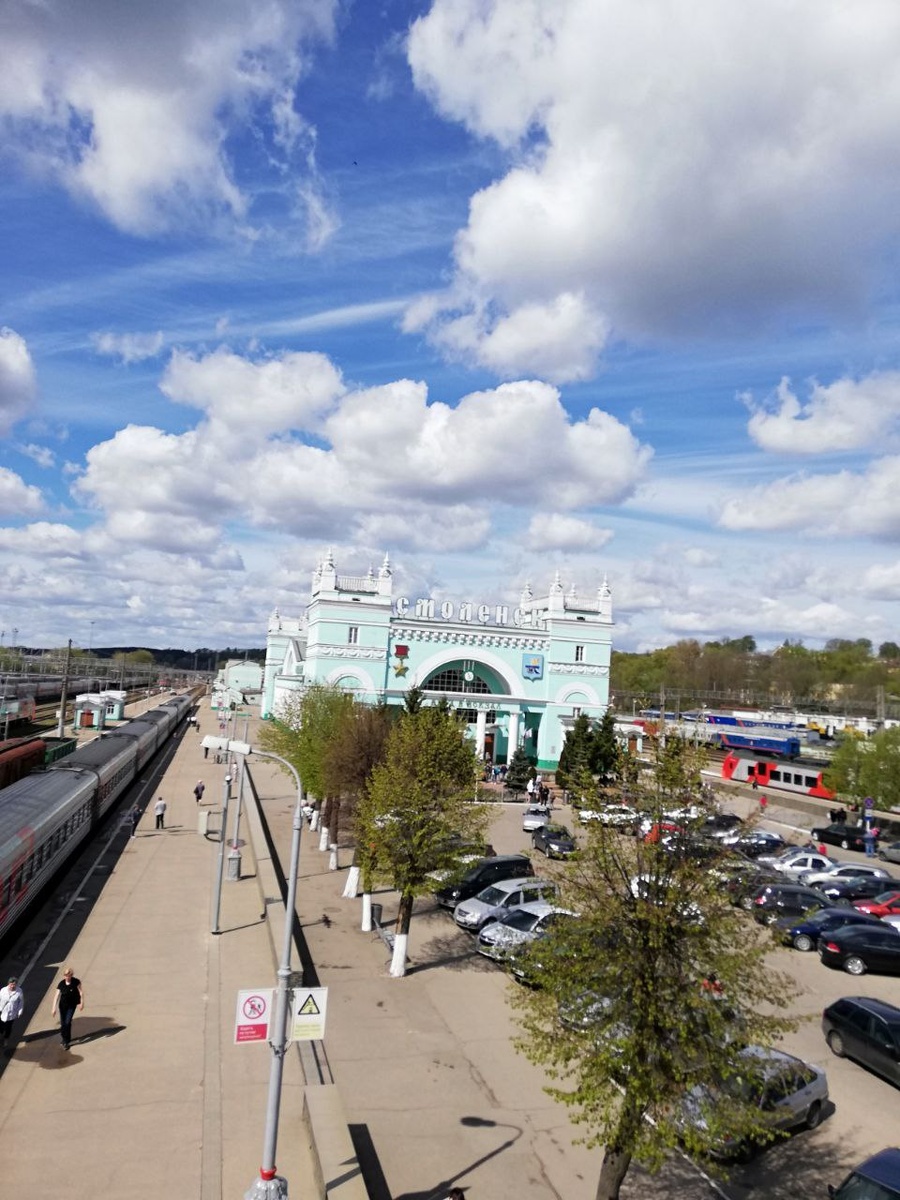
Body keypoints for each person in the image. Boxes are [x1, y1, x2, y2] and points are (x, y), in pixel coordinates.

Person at [51, 967, 83, 1050]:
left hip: (71, 1006)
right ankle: (65, 1037)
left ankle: (66, 1041)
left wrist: (81, 1002)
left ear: (71, 975)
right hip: (62, 1006)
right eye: (65, 975)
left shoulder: (76, 982)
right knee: (63, 1023)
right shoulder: (61, 984)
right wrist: (53, 1008)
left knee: (67, 1022)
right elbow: (56, 996)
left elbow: (80, 992)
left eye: (68, 975)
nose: (66, 977)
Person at [0, 976, 24, 1048]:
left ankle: (6, 1039)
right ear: (8, 984)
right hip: (2, 1011)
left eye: (14, 984)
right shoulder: (3, 990)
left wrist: (19, 1012)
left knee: (8, 1028)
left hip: (11, 1013)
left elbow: (21, 1002)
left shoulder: (19, 991)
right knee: (1, 1026)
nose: (13, 986)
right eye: (11, 984)